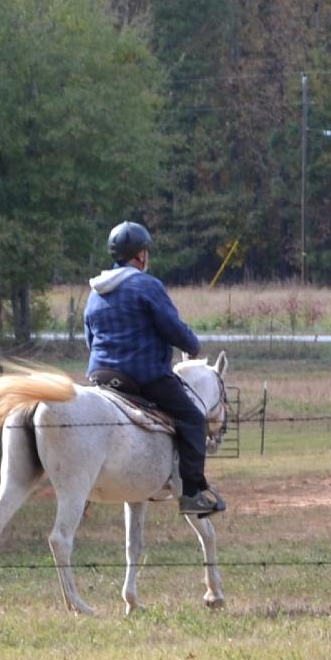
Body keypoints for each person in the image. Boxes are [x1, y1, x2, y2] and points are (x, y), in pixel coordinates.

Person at [84, 221, 224, 516]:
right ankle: (192, 493)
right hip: (143, 377)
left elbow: (90, 339)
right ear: (139, 256)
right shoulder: (146, 285)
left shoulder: (95, 292)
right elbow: (172, 327)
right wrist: (192, 344)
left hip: (100, 377)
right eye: (145, 251)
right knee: (193, 419)